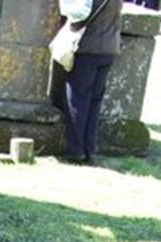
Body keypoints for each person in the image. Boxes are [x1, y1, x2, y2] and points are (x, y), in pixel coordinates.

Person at [59, 0, 124, 164]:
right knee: (95, 102)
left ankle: (76, 150)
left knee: (77, 99)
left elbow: (75, 13)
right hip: (109, 48)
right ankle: (90, 149)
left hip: (87, 47)